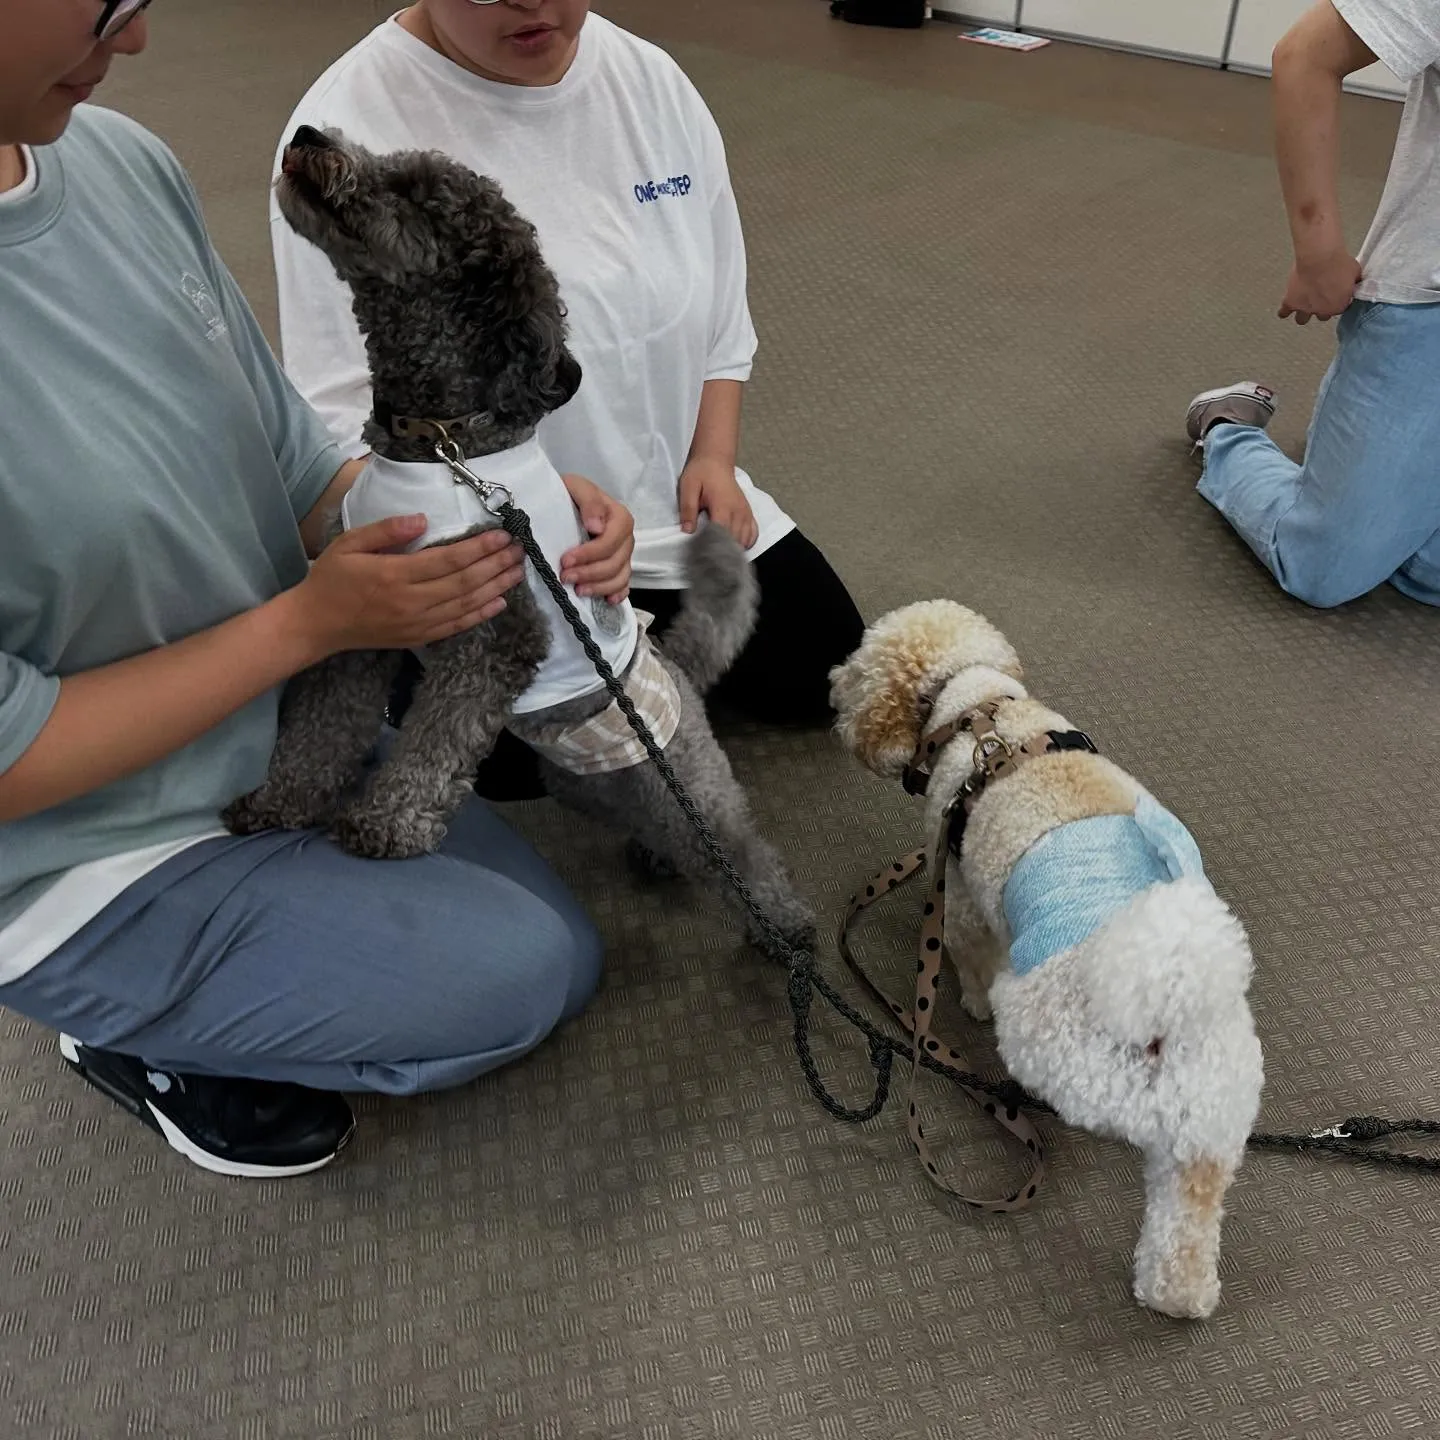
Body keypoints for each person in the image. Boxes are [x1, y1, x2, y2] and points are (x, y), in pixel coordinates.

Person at [0, 0, 639, 1177]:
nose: (134, 42)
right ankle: (130, 1030)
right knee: (515, 977)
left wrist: (505, 496)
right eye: (103, 10)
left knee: (556, 927)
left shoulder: (122, 163)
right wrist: (307, 625)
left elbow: (294, 459)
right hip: (73, 850)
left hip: (277, 714)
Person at [271, 0, 866, 805]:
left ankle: (637, 677)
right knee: (512, 770)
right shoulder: (347, 125)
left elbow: (721, 305)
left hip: (662, 510)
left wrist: (714, 457)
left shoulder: (651, 79)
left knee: (825, 666)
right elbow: (339, 420)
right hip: (496, 543)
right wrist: (521, 517)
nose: (535, 6)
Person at [1185, 0, 1440, 609]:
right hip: (1427, 299)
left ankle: (1377, 490)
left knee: (1424, 563)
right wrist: (1318, 253)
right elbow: (1305, 56)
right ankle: (1228, 431)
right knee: (1324, 562)